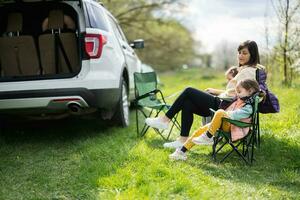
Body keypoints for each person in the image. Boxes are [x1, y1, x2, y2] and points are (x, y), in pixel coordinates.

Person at [145, 40, 265, 149]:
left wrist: (220, 92)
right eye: (239, 52)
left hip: (225, 107)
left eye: (244, 53)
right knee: (187, 103)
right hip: (224, 102)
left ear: (252, 55)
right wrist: (215, 91)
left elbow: (239, 96)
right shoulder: (245, 70)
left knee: (189, 91)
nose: (240, 55)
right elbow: (233, 92)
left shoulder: (249, 72)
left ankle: (165, 120)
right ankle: (182, 139)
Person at [169, 79, 265, 161]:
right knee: (199, 131)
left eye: (239, 92)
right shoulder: (241, 100)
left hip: (233, 127)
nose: (238, 94)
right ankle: (181, 151)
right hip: (226, 123)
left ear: (250, 91)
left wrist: (223, 114)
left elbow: (235, 115)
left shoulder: (248, 107)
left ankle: (208, 137)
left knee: (219, 112)